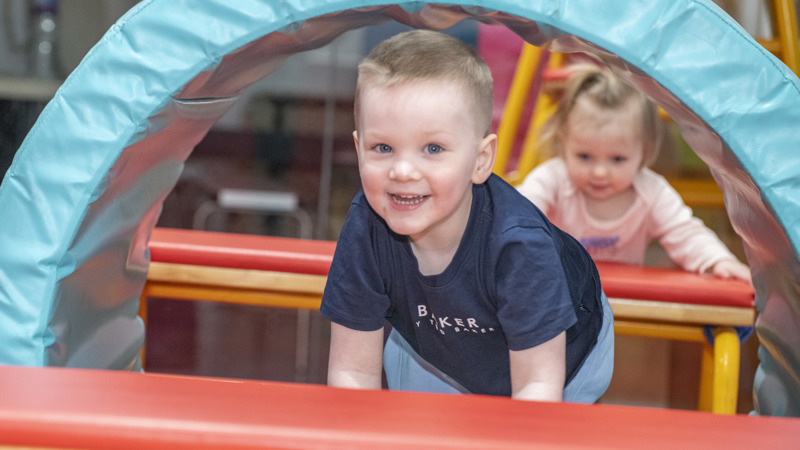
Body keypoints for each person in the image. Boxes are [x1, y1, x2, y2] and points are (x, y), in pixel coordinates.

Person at [320, 30, 613, 403]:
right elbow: (352, 372)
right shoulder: (368, 226)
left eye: (433, 148)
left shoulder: (518, 245)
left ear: (480, 160)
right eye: (383, 147)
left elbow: (538, 387)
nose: (403, 170)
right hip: (436, 353)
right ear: (359, 149)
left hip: (565, 358)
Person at [516, 64, 751, 282]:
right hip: (561, 300)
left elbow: (685, 233)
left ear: (644, 152)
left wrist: (718, 260)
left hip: (623, 303)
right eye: (584, 156)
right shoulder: (552, 180)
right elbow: (517, 216)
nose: (599, 172)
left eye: (617, 159)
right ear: (563, 143)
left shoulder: (651, 192)